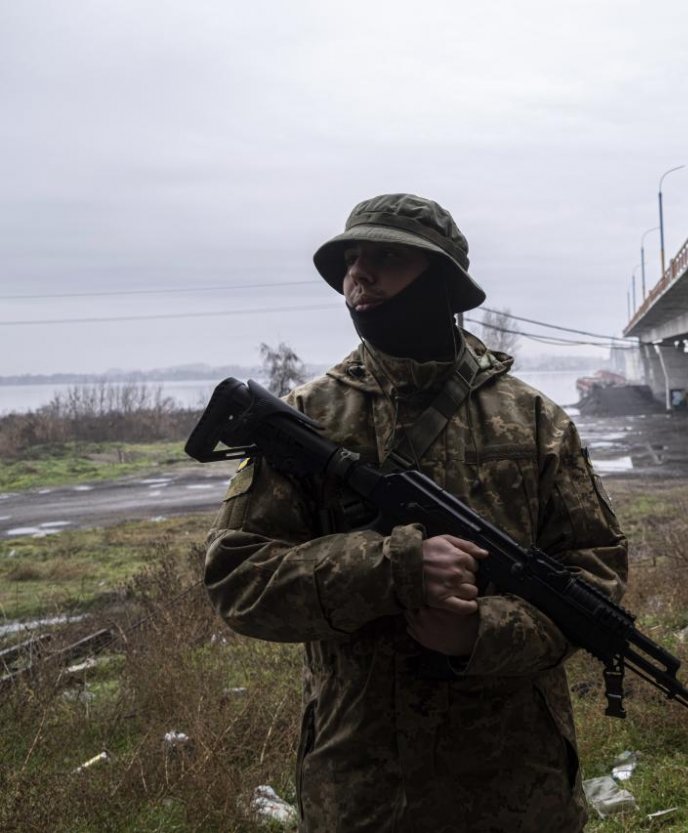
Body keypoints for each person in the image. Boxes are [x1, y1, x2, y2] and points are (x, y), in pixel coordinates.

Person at [203, 193, 628, 833]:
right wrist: (391, 565)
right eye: (351, 260)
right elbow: (239, 580)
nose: (358, 275)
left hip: (518, 785)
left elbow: (594, 579)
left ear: (441, 282)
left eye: (386, 258)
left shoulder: (535, 420)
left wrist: (480, 632)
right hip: (365, 789)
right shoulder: (305, 420)